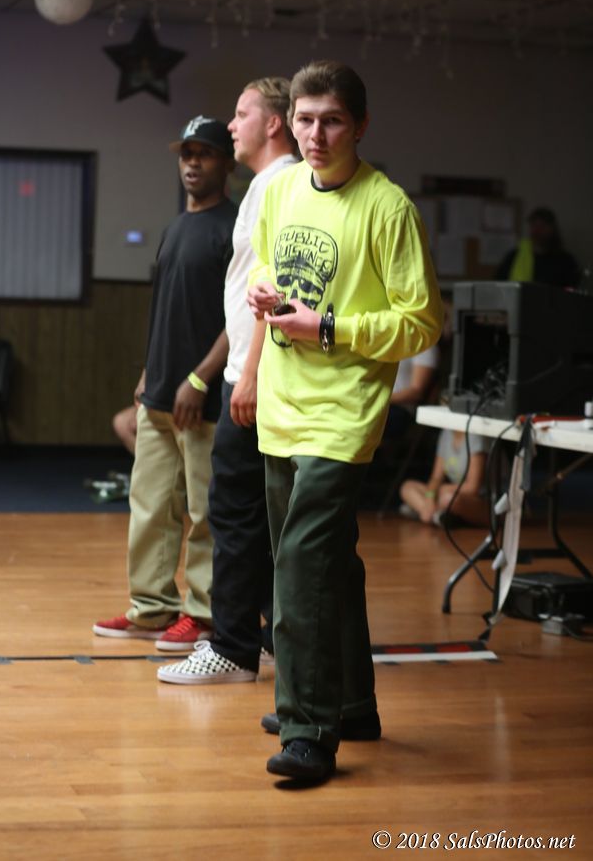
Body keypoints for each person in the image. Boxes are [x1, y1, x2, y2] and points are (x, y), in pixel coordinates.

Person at [246, 60, 443, 783]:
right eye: (304, 119)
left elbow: (421, 322)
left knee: (302, 569)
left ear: (360, 125)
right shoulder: (280, 189)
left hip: (344, 413)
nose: (316, 135)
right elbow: (267, 270)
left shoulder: (387, 208)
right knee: (325, 564)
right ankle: (352, 705)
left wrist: (328, 328)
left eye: (331, 121)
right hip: (281, 406)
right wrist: (265, 294)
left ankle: (309, 730)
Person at [157, 78, 299, 684]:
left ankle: (233, 647)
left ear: (273, 123)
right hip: (247, 372)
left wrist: (250, 374)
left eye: (242, 114)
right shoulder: (266, 185)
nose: (232, 124)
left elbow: (275, 290)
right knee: (250, 518)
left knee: (234, 514)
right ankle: (259, 637)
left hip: (253, 378)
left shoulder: (283, 184)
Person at [93, 116, 237, 649]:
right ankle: (152, 607)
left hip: (202, 399)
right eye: (186, 154)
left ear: (227, 163)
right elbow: (165, 311)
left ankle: (204, 616)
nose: (192, 163)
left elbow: (242, 320)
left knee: (204, 513)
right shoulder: (175, 228)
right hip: (158, 394)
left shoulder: (236, 227)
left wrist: (199, 379)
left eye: (205, 153)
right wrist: (147, 373)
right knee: (150, 505)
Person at [399, 428, 491, 527]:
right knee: (407, 487)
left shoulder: (475, 436)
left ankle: (421, 509)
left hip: (481, 499)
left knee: (448, 499)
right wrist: (430, 496)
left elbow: (473, 487)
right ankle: (437, 516)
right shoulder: (446, 433)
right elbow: (436, 478)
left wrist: (439, 490)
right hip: (450, 491)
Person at [496, 207, 580, 288]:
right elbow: (499, 284)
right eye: (534, 225)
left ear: (553, 229)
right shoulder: (513, 256)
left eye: (542, 226)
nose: (537, 231)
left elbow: (572, 289)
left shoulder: (565, 261)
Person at [385, 344, 439, 437]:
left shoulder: (425, 347)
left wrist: (380, 399)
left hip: (399, 409)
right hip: (381, 404)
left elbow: (416, 392)